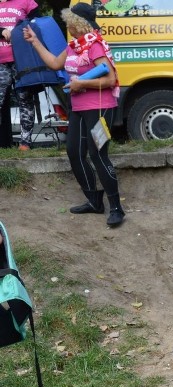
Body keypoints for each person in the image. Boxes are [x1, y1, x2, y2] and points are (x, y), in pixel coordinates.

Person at [24, 3, 125, 227]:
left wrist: (82, 83)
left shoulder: (95, 45)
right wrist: (35, 41)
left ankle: (117, 208)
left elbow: (109, 79)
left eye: (70, 20)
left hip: (100, 106)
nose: (67, 24)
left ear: (79, 23)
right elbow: (54, 64)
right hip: (78, 108)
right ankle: (94, 200)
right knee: (74, 152)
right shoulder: (73, 46)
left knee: (98, 155)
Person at [0, 0, 39, 151]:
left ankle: (25, 143)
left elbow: (37, 24)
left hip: (22, 60)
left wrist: (18, 29)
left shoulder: (26, 1)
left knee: (25, 99)